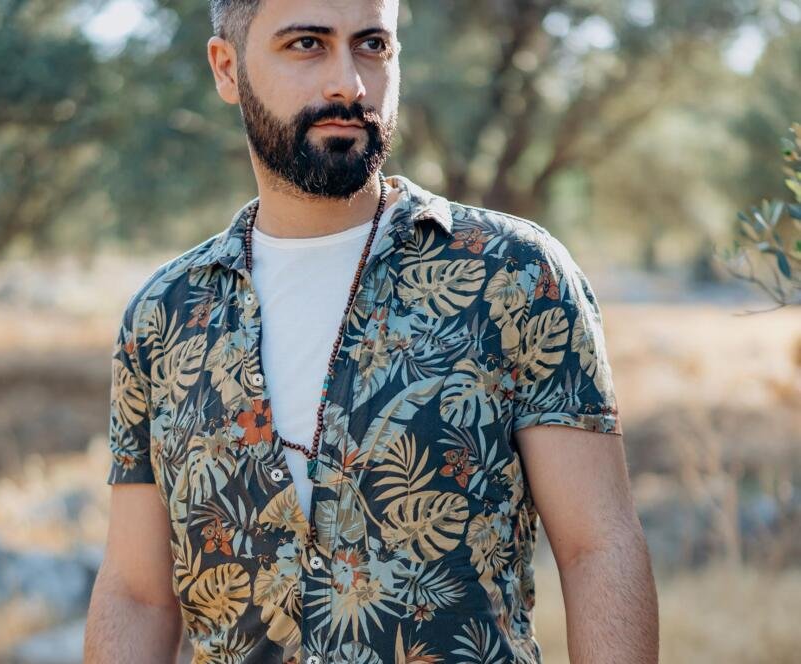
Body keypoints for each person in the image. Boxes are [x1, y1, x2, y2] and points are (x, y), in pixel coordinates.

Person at [84, 1, 659, 662]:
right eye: (307, 44)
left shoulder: (514, 275)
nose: (349, 84)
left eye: (372, 46)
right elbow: (137, 594)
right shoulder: (164, 316)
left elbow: (597, 548)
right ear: (226, 68)